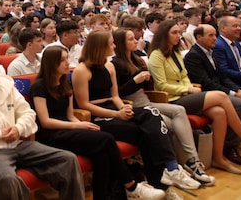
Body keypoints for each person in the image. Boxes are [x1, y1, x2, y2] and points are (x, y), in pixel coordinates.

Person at [73, 30, 200, 196]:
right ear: (99, 46)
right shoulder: (81, 71)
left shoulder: (109, 65)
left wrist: (122, 108)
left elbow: (115, 96)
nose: (114, 46)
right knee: (145, 132)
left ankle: (171, 168)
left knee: (151, 112)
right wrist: (117, 114)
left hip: (114, 108)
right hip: (99, 116)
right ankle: (160, 182)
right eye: (111, 43)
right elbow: (84, 105)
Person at [0, 44, 86, 200]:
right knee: (7, 179)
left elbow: (28, 113)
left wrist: (18, 128)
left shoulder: (6, 86)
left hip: (19, 145)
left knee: (68, 159)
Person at [32, 45, 166, 200]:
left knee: (101, 154)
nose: (67, 63)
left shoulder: (64, 85)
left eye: (67, 58)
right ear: (51, 64)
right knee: (107, 138)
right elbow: (45, 121)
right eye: (62, 60)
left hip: (68, 128)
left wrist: (83, 127)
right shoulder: (39, 86)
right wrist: (79, 125)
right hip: (50, 134)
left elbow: (70, 115)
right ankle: (131, 185)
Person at [148, 20, 241, 175]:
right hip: (171, 99)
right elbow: (161, 85)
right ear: (164, 35)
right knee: (222, 96)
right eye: (174, 33)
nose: (179, 35)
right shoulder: (156, 55)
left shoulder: (175, 53)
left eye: (178, 32)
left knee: (219, 113)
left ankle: (218, 158)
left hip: (186, 94)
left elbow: (184, 76)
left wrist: (190, 87)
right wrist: (187, 89)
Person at [112, 28, 215, 185]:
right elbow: (117, 93)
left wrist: (146, 78)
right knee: (168, 123)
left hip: (146, 101)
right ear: (121, 43)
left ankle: (192, 160)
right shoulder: (115, 64)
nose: (136, 41)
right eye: (131, 39)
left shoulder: (137, 59)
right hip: (134, 106)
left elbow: (147, 88)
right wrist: (136, 81)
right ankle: (175, 166)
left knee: (179, 111)